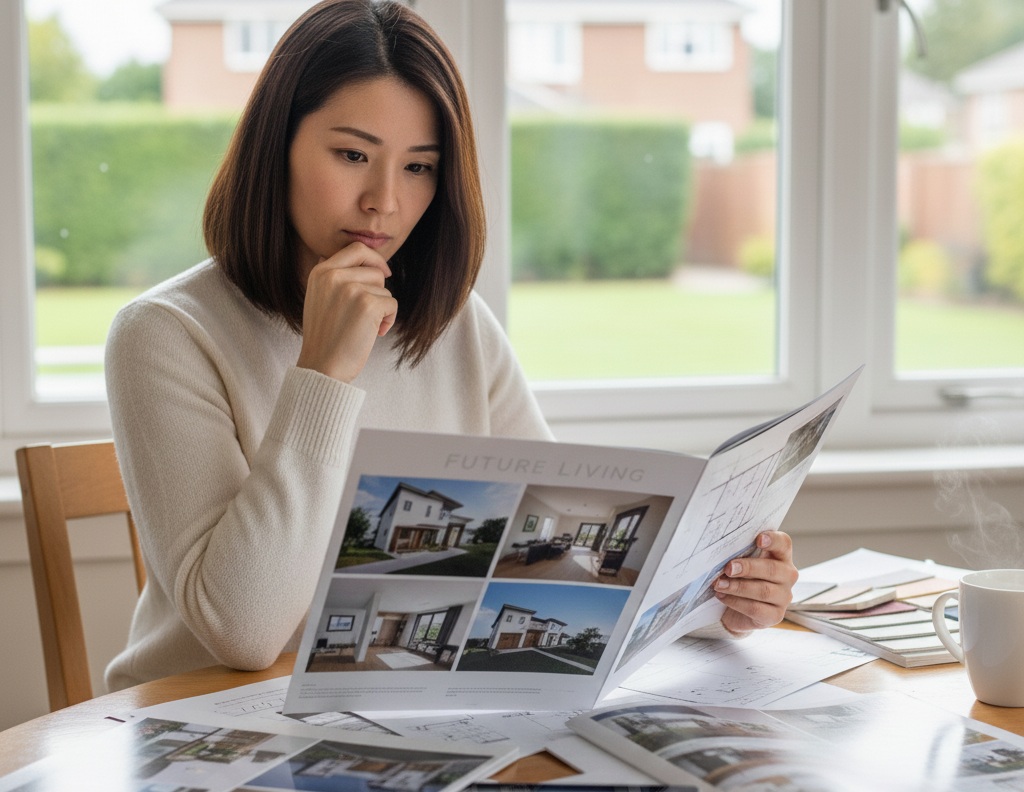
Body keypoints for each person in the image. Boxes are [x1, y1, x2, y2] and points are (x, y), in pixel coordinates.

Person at [104, 0, 797, 692]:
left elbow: (564, 556)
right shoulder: (166, 334)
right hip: (208, 722)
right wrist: (323, 372)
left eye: (419, 168)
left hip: (408, 706)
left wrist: (723, 596)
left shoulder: (455, 322)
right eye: (352, 155)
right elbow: (246, 633)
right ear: (274, 148)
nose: (385, 201)